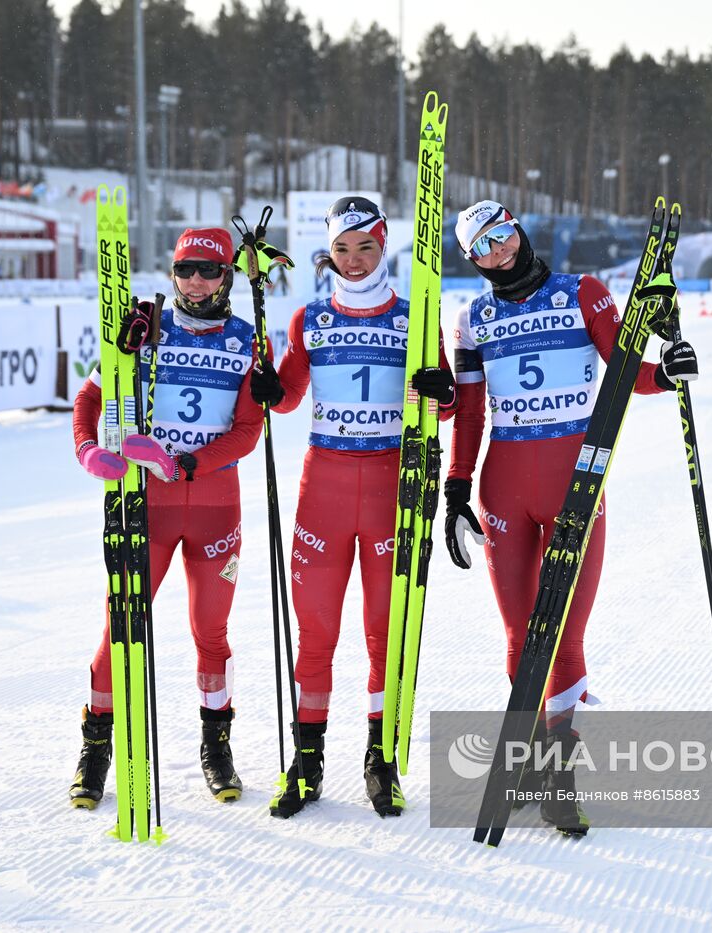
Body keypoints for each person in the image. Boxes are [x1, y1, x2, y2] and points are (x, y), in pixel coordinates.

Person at [441, 200, 697, 837]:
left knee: (565, 633)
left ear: (518, 232)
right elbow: (468, 413)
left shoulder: (581, 292)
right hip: (503, 488)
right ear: (471, 260)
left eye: (502, 236)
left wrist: (665, 373)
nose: (497, 252)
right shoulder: (472, 319)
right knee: (519, 631)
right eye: (481, 249)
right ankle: (528, 762)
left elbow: (623, 372)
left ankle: (559, 774)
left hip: (575, 481)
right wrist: (456, 487)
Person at [249, 196, 457, 819]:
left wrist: (441, 392)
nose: (355, 261)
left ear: (385, 244)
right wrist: (267, 386)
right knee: (315, 632)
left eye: (366, 248)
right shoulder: (309, 318)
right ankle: (306, 761)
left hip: (392, 484)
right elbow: (284, 400)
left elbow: (444, 406)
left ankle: (380, 760)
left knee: (383, 635)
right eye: (343, 249)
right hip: (326, 487)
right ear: (329, 252)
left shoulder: (415, 318)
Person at [68, 227, 264, 809]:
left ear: (227, 275)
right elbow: (88, 401)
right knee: (120, 631)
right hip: (144, 508)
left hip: (212, 508)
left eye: (209, 270)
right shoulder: (142, 327)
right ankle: (96, 747)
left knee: (211, 633)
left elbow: (249, 430)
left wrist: (185, 464)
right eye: (186, 270)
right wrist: (88, 450)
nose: (197, 281)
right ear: (172, 272)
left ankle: (216, 744)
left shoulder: (247, 340)